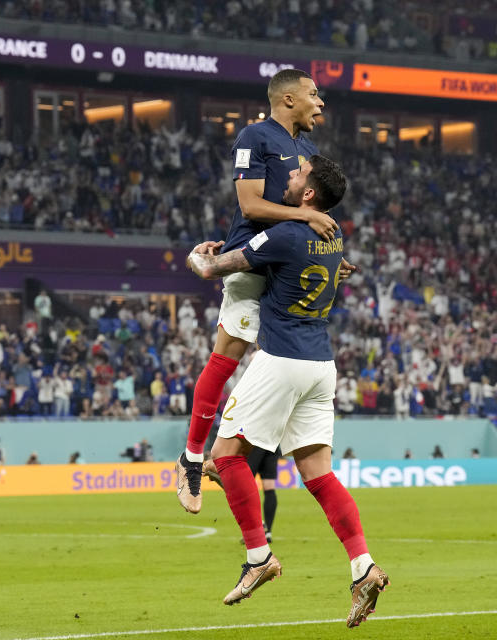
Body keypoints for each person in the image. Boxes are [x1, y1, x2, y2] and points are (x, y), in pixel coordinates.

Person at [186, 155, 388, 626]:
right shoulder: (332, 233)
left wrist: (198, 256)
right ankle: (362, 567)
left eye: (297, 175)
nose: (290, 177)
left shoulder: (285, 234)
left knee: (227, 455)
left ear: (309, 194)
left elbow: (214, 268)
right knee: (319, 476)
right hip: (322, 364)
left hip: (281, 360)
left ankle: (259, 557)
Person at [176, 68, 353, 513]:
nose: (321, 102)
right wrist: (304, 220)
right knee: (227, 356)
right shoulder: (254, 137)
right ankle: (192, 457)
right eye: (314, 94)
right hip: (251, 259)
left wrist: (326, 253)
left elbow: (311, 204)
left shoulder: (308, 150)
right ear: (288, 99)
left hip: (287, 265)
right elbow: (250, 205)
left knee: (275, 365)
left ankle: (234, 464)